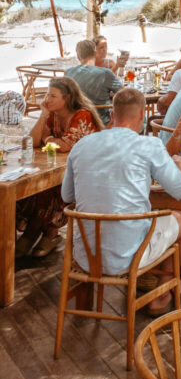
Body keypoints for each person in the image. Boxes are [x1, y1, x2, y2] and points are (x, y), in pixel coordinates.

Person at [61, 87, 181, 312]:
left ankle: (169, 285)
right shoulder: (148, 145)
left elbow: (67, 196)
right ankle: (162, 292)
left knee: (145, 219)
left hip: (85, 255)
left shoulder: (82, 145)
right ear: (142, 115)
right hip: (129, 256)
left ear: (113, 115)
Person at [16, 78, 103, 258]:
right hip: (62, 169)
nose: (48, 99)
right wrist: (43, 116)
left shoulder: (82, 115)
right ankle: (41, 234)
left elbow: (64, 145)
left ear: (68, 98)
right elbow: (32, 141)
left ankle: (39, 233)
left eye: (53, 96)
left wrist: (47, 139)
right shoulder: (53, 115)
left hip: (88, 174)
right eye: (48, 94)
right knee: (35, 188)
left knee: (50, 190)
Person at [65, 39, 123, 122]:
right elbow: (124, 94)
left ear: (78, 57)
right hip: (101, 123)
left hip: (77, 122)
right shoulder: (105, 73)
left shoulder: (68, 72)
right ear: (95, 54)